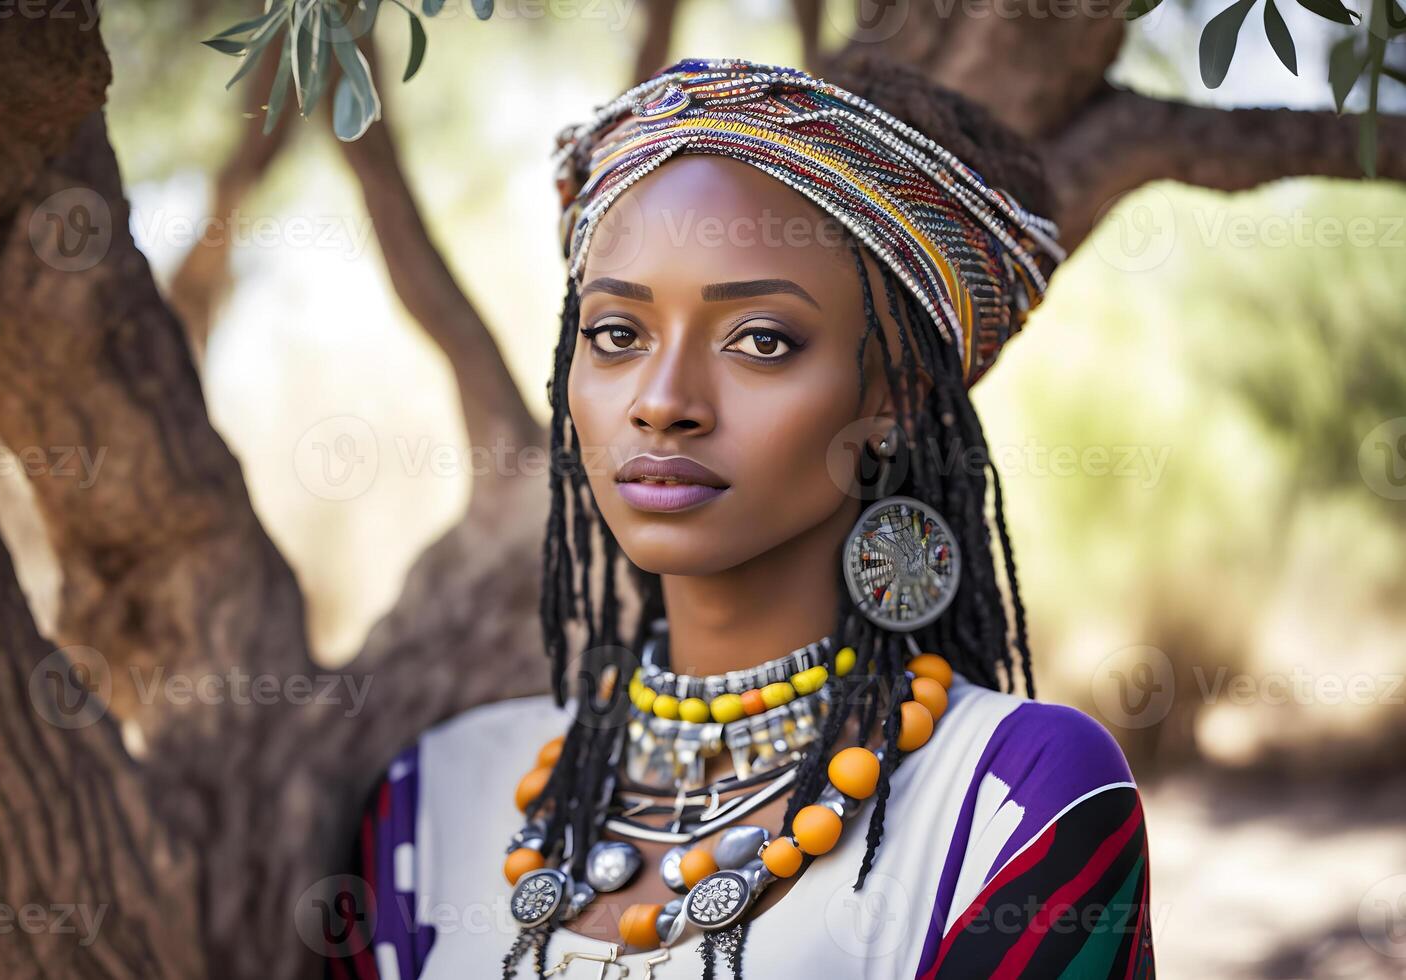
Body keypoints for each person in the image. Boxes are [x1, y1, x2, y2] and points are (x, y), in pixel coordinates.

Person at [333, 55, 1155, 979]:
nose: (662, 401)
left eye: (761, 340)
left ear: (901, 400)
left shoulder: (1015, 798)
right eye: (616, 335)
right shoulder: (434, 799)